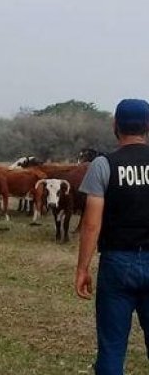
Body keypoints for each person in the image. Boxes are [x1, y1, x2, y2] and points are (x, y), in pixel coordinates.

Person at [76, 99, 149, 374]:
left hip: (116, 264)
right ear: (148, 126)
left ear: (115, 126)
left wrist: (82, 268)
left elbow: (91, 225)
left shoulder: (103, 165)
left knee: (112, 347)